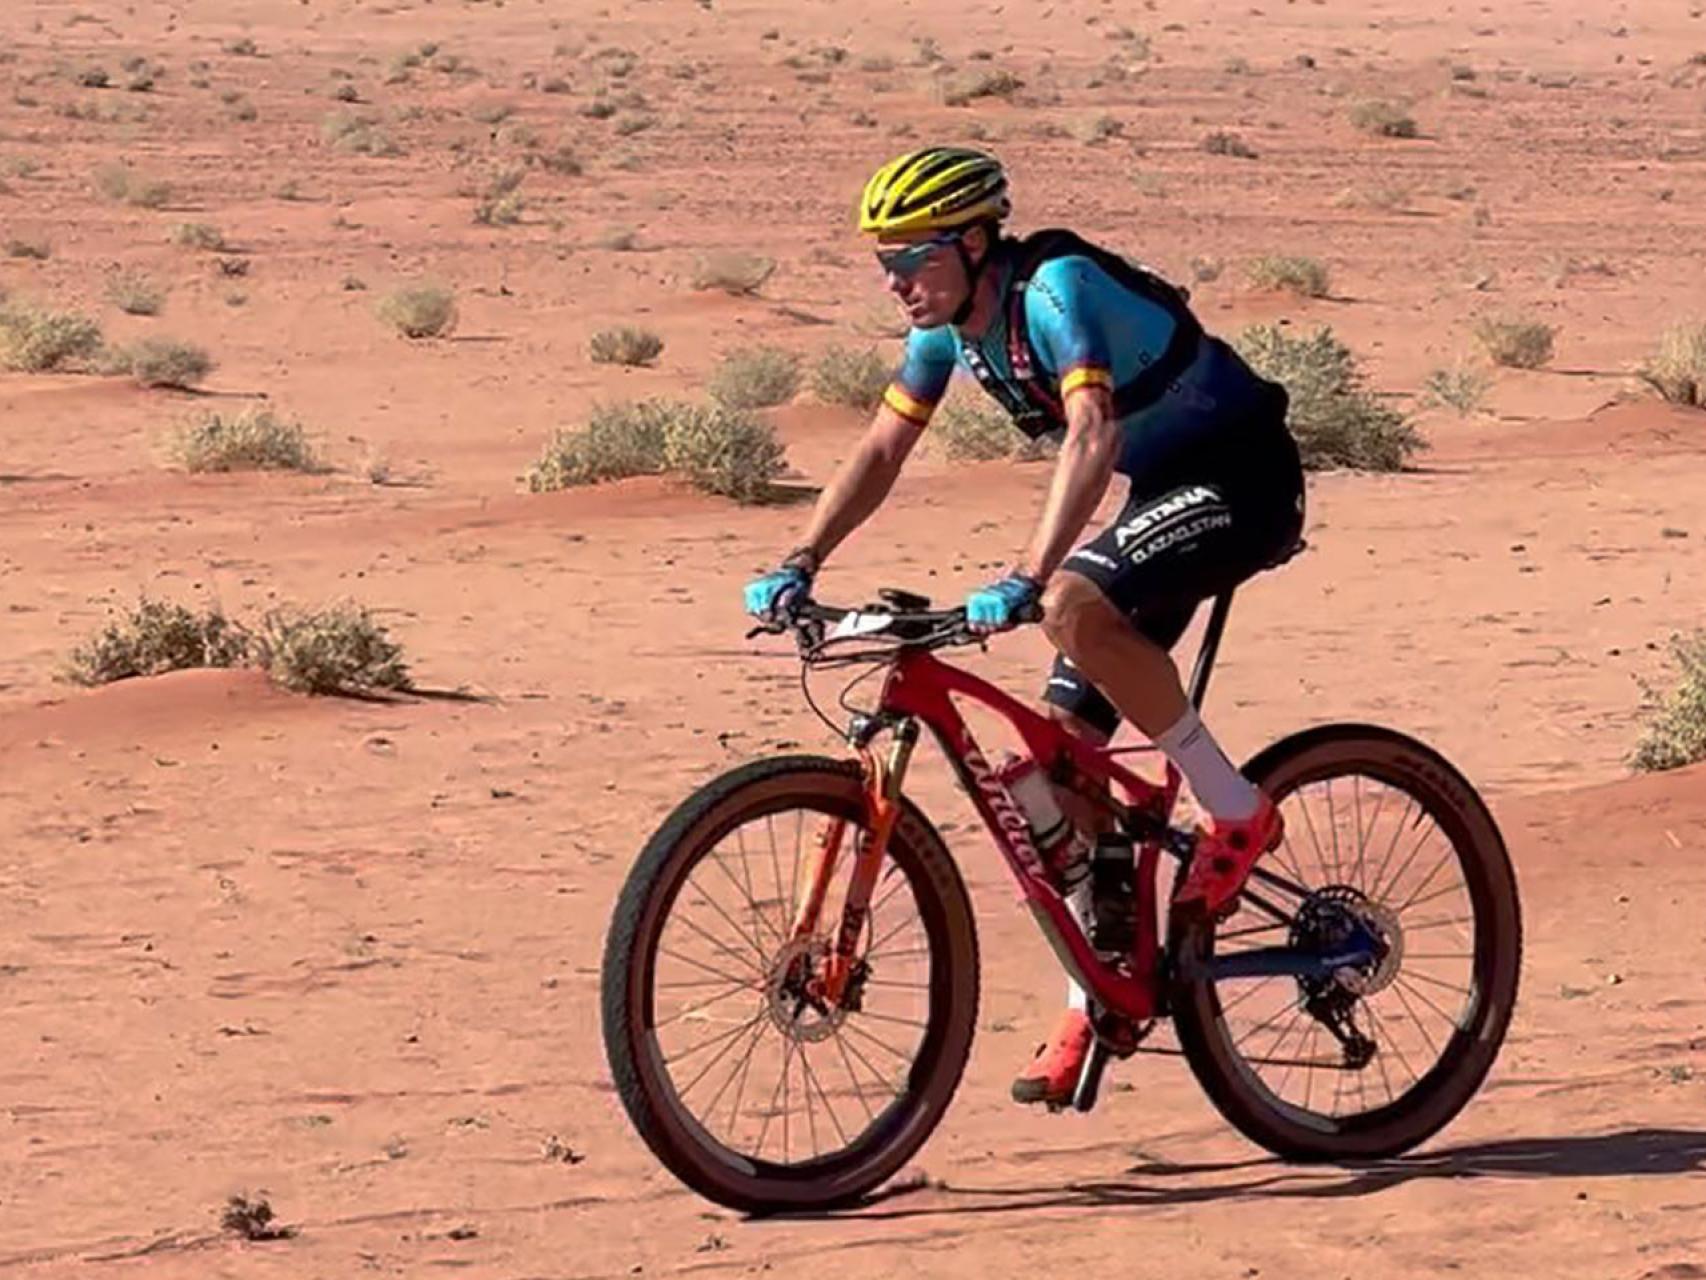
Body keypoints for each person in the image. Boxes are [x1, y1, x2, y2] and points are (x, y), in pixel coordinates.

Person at [743, 146, 1306, 1108]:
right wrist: (803, 557)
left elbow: (1093, 434)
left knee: (1071, 606)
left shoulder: (1056, 290)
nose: (894, 280)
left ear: (972, 242)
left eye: (913, 257)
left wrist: (1029, 575)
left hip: (1242, 480)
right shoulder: (949, 332)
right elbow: (884, 445)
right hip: (1161, 498)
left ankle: (1238, 811)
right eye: (883, 260)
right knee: (1059, 771)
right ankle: (1100, 992)